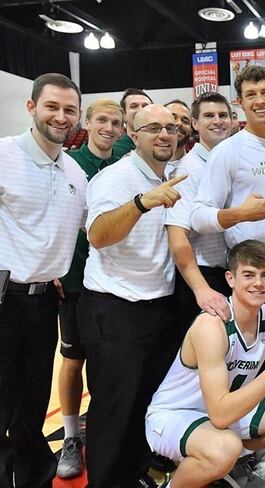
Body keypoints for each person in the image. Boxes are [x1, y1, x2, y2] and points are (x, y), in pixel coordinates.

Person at [146, 240, 265, 487]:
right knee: (225, 448)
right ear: (230, 279)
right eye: (249, 275)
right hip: (175, 416)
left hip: (225, 411)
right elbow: (220, 416)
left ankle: (236, 462)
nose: (258, 284)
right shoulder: (212, 326)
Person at [80, 104, 185, 487]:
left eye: (170, 128)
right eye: (153, 127)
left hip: (158, 305)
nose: (164, 134)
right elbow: (98, 235)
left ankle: (134, 474)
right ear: (133, 134)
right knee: (115, 407)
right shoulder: (116, 178)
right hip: (115, 308)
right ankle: (107, 481)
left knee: (146, 403)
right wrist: (143, 202)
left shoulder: (173, 175)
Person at [191, 65, 265, 388]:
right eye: (251, 95)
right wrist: (240, 214)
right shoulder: (227, 152)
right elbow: (199, 216)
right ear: (239, 102)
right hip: (252, 284)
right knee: (254, 371)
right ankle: (255, 437)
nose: (259, 101)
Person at [0, 72, 87, 488]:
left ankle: (32, 477)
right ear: (31, 107)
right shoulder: (3, 155)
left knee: (32, 404)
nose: (60, 116)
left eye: (69, 109)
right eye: (51, 106)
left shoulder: (75, 172)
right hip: (3, 298)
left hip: (43, 302)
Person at [55, 98, 125, 479]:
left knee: (108, 363)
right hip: (74, 279)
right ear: (88, 122)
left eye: (116, 122)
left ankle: (107, 432)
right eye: (102, 120)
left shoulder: (125, 166)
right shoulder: (70, 165)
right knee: (73, 358)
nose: (109, 128)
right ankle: (70, 437)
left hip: (113, 283)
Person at [166, 92, 233, 338]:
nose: (218, 121)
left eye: (223, 115)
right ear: (195, 124)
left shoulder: (231, 158)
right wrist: (201, 289)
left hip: (232, 273)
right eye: (209, 116)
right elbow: (177, 237)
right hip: (203, 275)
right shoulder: (187, 171)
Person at [113, 87, 152, 158]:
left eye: (145, 106)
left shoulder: (162, 145)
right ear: (124, 115)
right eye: (134, 106)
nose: (141, 110)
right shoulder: (114, 150)